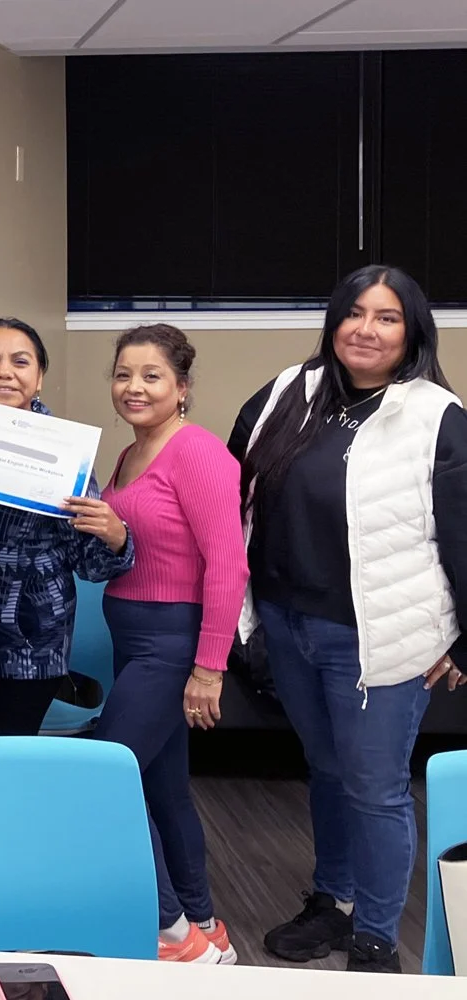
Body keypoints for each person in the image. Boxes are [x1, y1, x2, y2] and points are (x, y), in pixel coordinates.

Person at [230, 265, 467, 975]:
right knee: (326, 770)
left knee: (375, 785)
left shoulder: (436, 417)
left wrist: (463, 637)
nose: (366, 328)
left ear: (412, 331)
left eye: (387, 317)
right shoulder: (285, 394)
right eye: (354, 312)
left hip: (384, 635)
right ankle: (330, 901)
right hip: (288, 623)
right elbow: (235, 486)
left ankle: (373, 933)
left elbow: (463, 532)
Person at [97, 323, 246, 964]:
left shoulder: (199, 452)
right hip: (131, 639)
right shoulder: (130, 455)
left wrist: (208, 668)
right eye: (124, 374)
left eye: (151, 375)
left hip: (171, 641)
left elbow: (228, 564)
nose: (134, 387)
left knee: (105, 777)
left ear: (182, 387)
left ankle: (172, 933)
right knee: (164, 788)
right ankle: (207, 925)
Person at [0, 318, 134, 736]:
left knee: (2, 753)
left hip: (32, 636)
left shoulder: (63, 448)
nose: (4, 371)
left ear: (39, 376)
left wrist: (116, 537)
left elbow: (90, 564)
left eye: (20, 362)